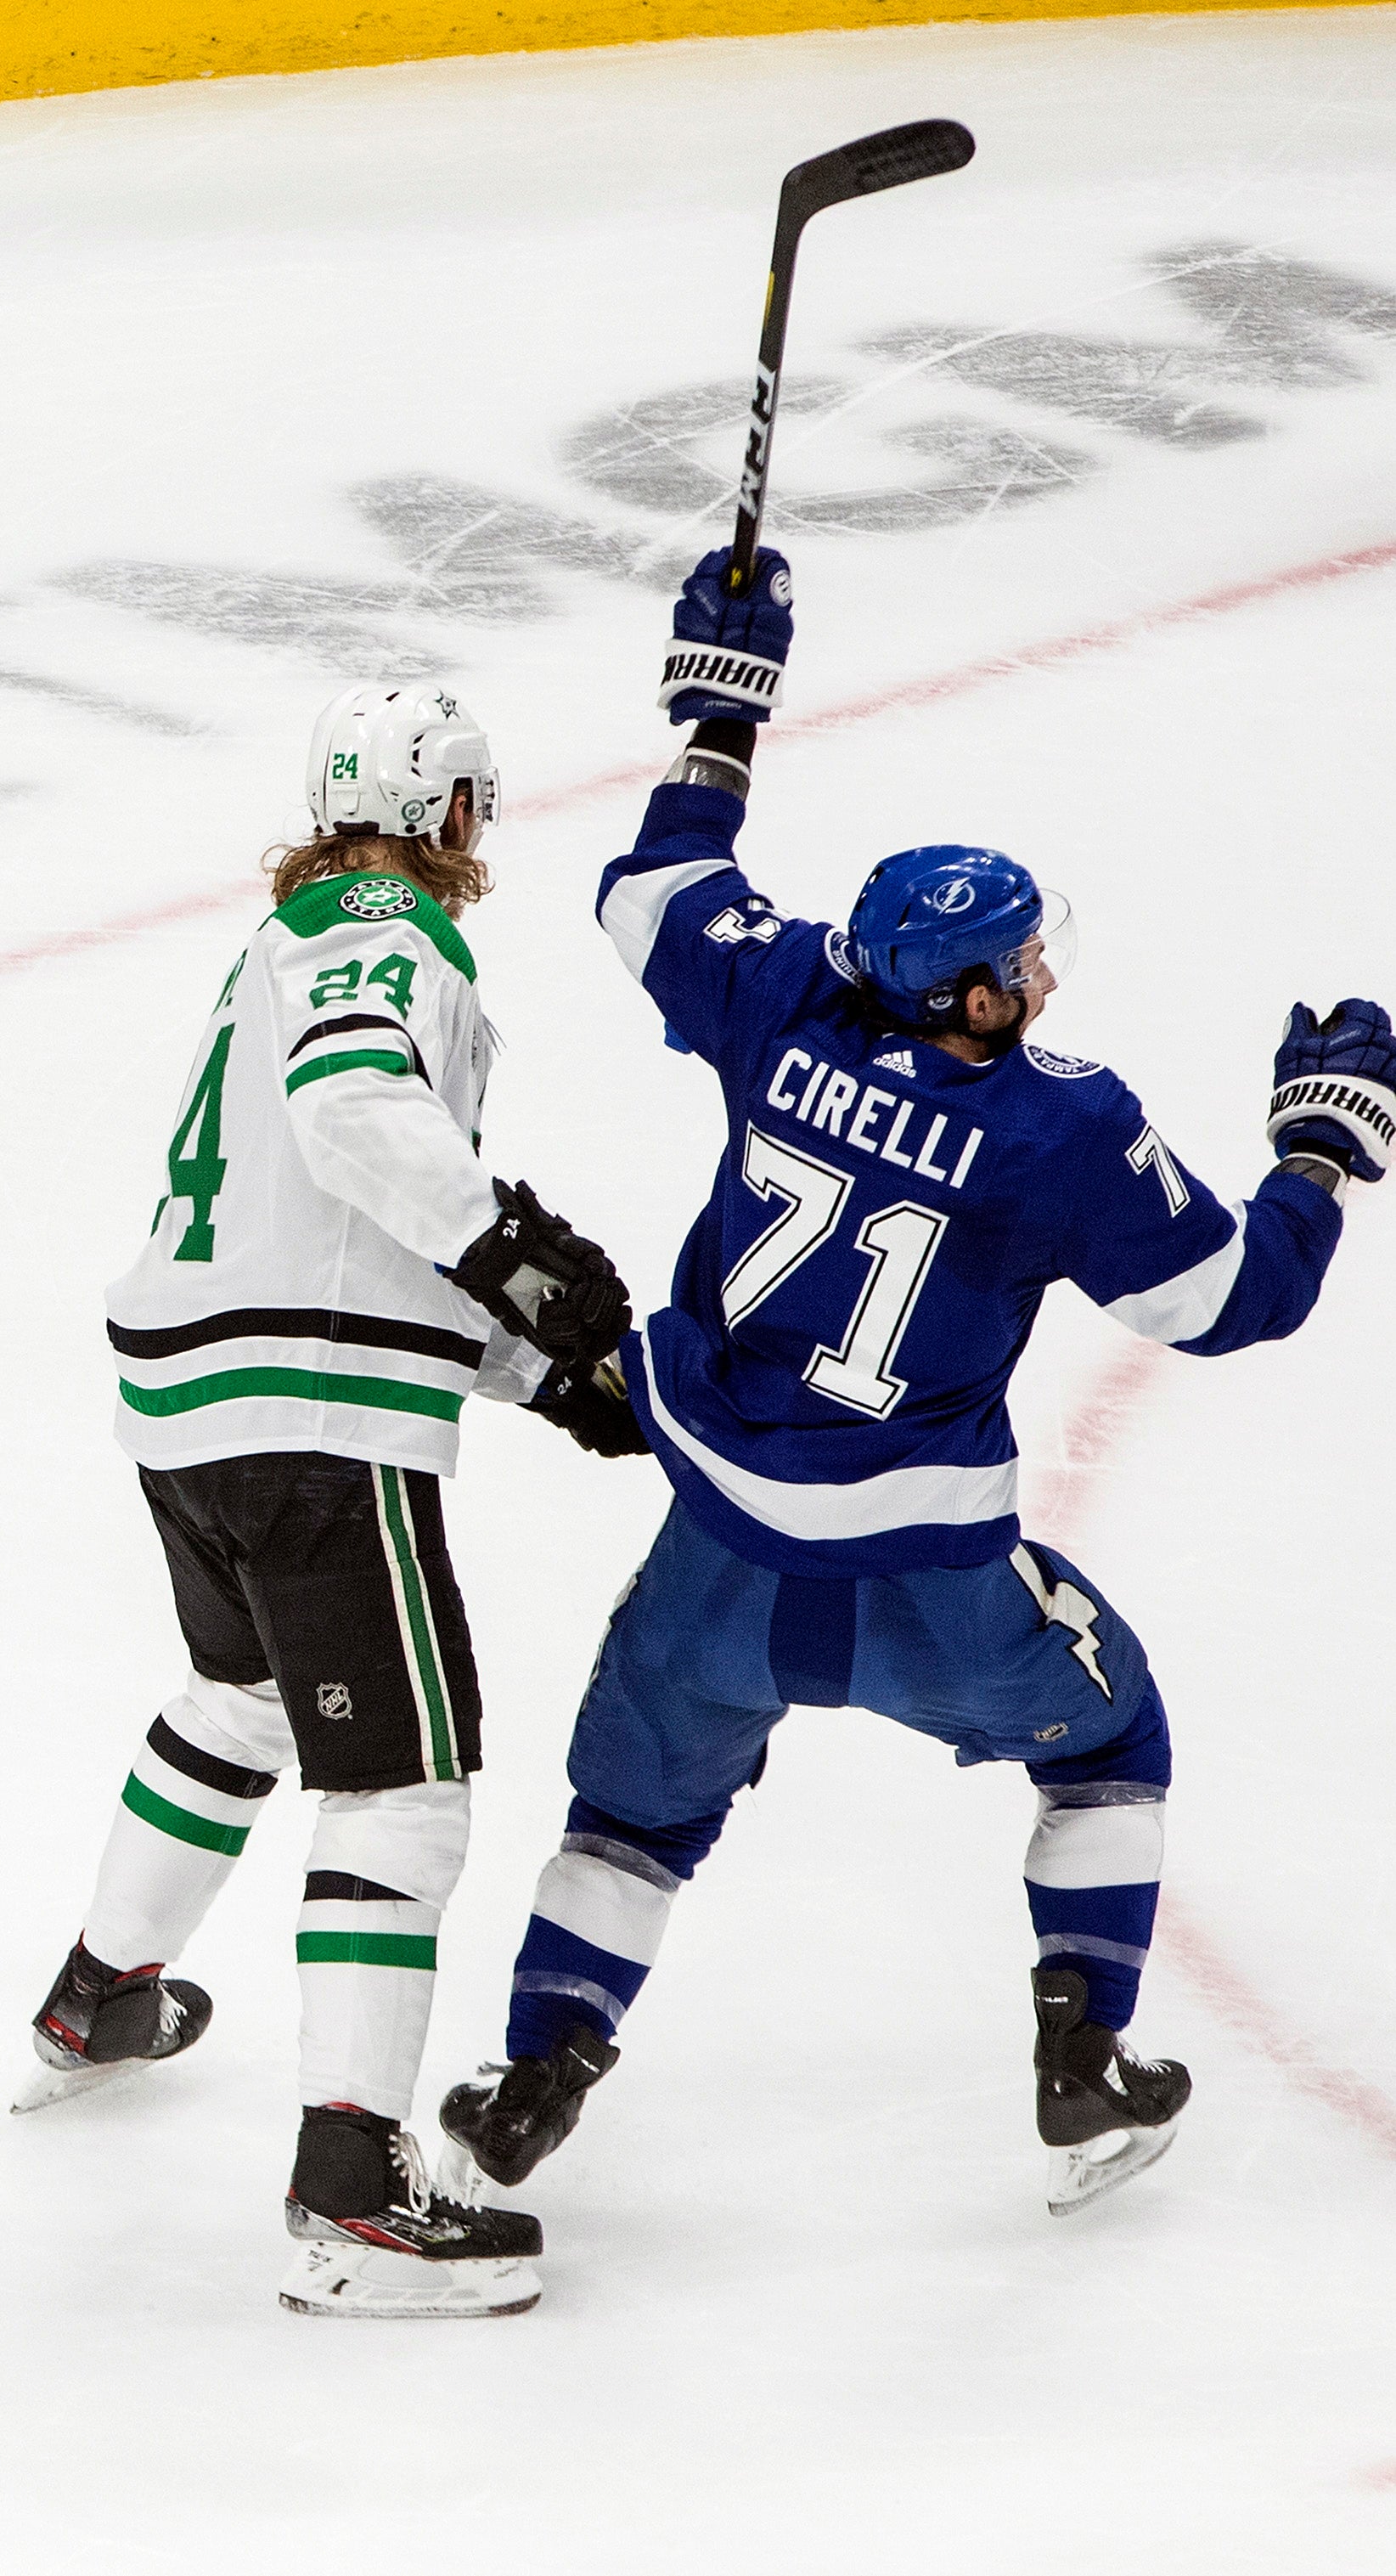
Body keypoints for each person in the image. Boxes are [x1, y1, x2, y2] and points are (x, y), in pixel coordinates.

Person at [441, 549, 1389, 2218]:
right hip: (932, 1581)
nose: (1037, 981)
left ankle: (532, 2072)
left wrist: (719, 714)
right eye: (1018, 963)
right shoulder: (1056, 1123)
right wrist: (1324, 1148)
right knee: (1112, 1741)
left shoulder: (786, 987)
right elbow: (1232, 1300)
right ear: (964, 992)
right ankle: (1081, 2062)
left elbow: (651, 889)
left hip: (719, 1547)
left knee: (630, 1817)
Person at [23, 684, 644, 2320]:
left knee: (239, 1693)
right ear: (442, 810)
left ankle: (100, 1992)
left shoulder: (285, 932)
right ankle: (352, 2191)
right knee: (402, 1786)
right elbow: (359, 1123)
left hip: (186, 1406)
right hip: (306, 1427)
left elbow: (341, 1228)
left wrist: (536, 1374)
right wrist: (513, 1257)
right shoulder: (386, 924)